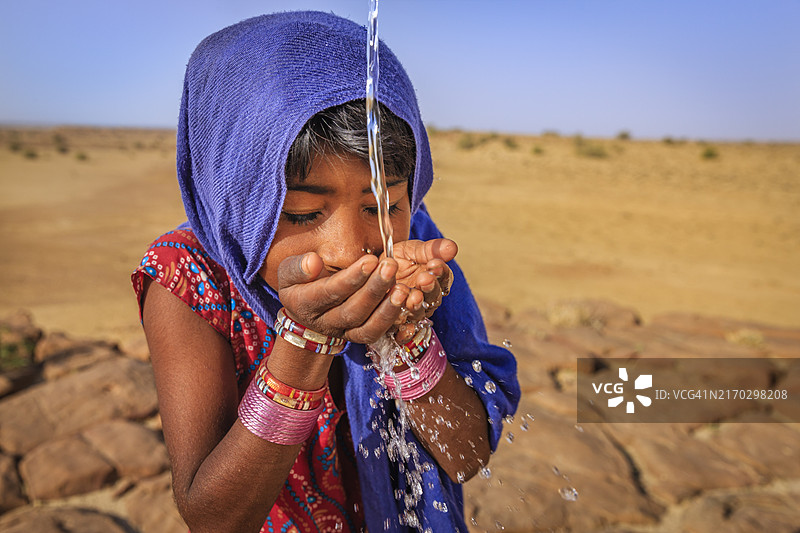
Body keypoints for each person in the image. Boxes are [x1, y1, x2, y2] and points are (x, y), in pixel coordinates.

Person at [132, 11, 519, 533]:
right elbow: (213, 516)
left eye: (382, 204)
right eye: (301, 214)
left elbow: (465, 455)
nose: (349, 251)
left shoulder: (415, 249)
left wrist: (406, 335)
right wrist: (306, 341)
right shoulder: (190, 281)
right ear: (239, 200)